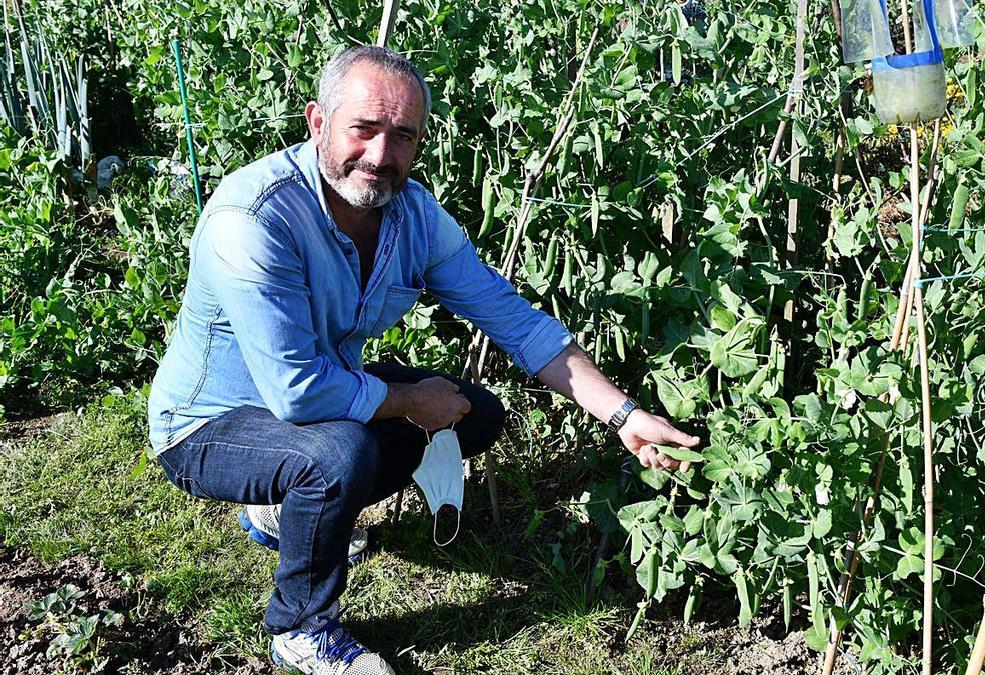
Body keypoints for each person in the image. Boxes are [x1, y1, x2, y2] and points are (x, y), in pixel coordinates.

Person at [147, 45, 700, 675]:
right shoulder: (254, 219)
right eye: (363, 129)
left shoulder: (412, 217)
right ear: (318, 123)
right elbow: (295, 393)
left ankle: (287, 507)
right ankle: (300, 627)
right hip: (209, 424)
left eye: (402, 135)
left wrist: (622, 414)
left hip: (321, 397)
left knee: (473, 415)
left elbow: (512, 320)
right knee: (337, 455)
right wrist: (409, 400)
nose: (381, 155)